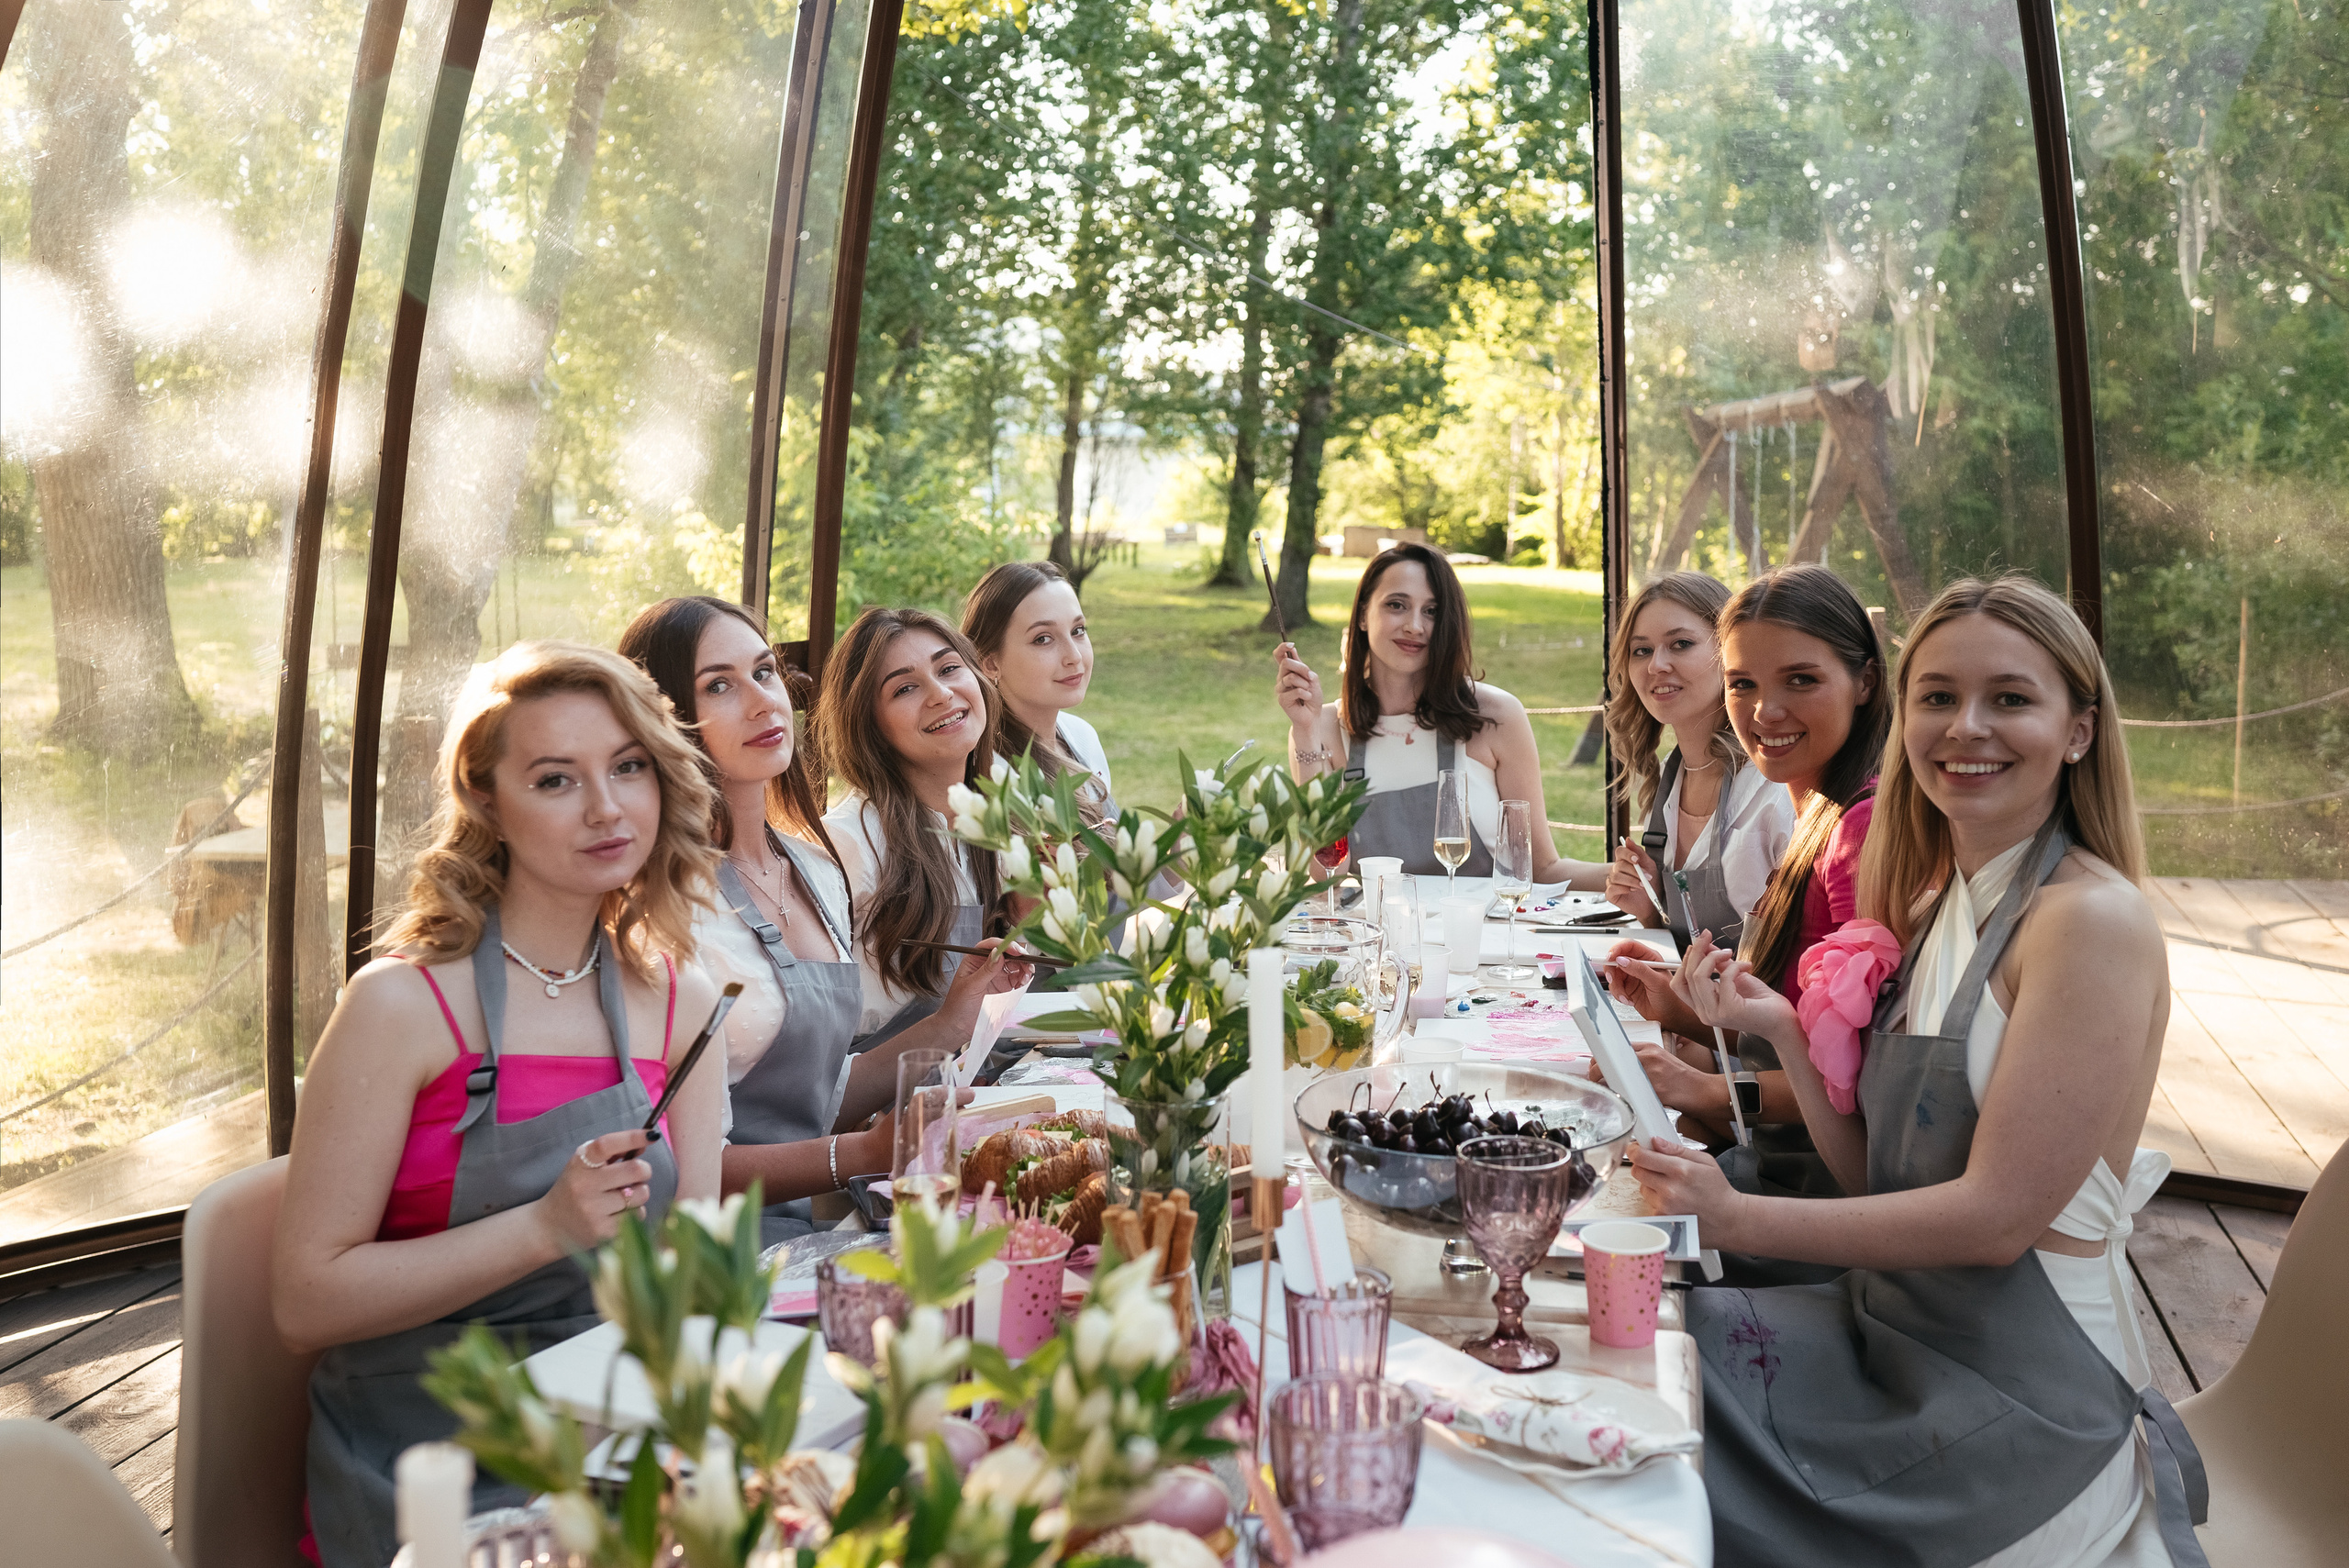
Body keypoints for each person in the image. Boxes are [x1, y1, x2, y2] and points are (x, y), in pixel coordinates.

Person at [1630, 575, 2201, 1568]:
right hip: (1891, 1335)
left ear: (2077, 729)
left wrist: (1735, 1215)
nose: (1963, 727)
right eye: (1937, 696)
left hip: (2015, 1405)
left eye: (2009, 698)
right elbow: (1872, 1180)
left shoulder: (2089, 922)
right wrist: (1788, 1031)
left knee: (1648, 1431)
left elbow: (1990, 1221)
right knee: (1642, 1344)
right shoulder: (1942, 896)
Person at [273, 642, 726, 1568]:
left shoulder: (680, 998)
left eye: (628, 766)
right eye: (556, 778)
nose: (607, 807)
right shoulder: (401, 1005)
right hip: (428, 1464)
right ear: (485, 797)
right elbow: (303, 1300)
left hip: (617, 1434)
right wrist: (543, 1226)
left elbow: (697, 1267)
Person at [618, 597, 1029, 1244]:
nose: (761, 702)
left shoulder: (813, 868)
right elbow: (675, 1167)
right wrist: (861, 1155)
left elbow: (820, 1092)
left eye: (765, 672)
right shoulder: (662, 909)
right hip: (698, 1263)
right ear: (659, 718)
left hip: (797, 1238)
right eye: (718, 685)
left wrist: (950, 1020)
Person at [1601, 564, 1889, 1158]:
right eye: (1743, 684)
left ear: (1866, 681)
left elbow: (1857, 1090)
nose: (1765, 711)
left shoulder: (1856, 832)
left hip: (1804, 1187)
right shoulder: (1815, 815)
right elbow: (1794, 1035)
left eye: (1801, 680)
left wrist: (1702, 1090)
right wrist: (1678, 1010)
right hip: (1766, 1154)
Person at [1275, 542, 1575, 880]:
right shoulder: (1324, 728)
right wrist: (1305, 730)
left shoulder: (1497, 717)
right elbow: (1325, 873)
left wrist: (1634, 878)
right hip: (1375, 933)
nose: (1415, 626)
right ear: (1362, 615)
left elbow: (1543, 868)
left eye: (1431, 611)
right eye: (1397, 605)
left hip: (1482, 932)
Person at [816, 606, 1012, 1043]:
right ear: (869, 725)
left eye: (948, 668)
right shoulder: (849, 844)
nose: (941, 694)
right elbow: (822, 1044)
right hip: (879, 1100)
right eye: (905, 688)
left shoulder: (989, 814)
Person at [1599, 570, 1795, 948]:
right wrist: (1649, 910)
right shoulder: (1672, 776)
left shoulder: (1773, 784)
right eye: (1641, 650)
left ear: (1729, 652)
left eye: (1681, 644)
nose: (1657, 665)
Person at [962, 560, 1115, 819]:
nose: (1074, 656)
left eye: (1078, 630)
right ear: (989, 663)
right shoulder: (992, 776)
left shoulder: (1081, 736)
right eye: (1043, 639)